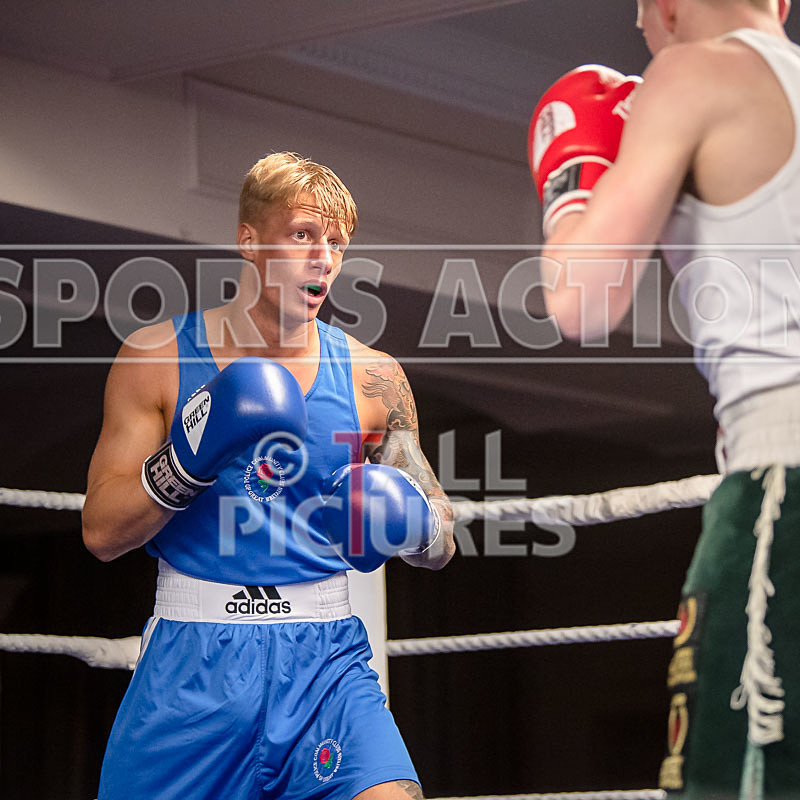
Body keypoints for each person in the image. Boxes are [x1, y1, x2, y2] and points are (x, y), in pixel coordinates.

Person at [82, 151, 455, 800]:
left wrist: (409, 521)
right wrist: (188, 462)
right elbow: (101, 532)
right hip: (194, 662)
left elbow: (443, 537)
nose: (323, 258)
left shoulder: (374, 378)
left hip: (326, 665)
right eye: (303, 235)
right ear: (249, 241)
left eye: (336, 242)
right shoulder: (159, 356)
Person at [529, 1, 799, 797]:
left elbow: (581, 300)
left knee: (731, 778)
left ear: (665, 7)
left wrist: (575, 181)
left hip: (785, 479)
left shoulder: (688, 73)